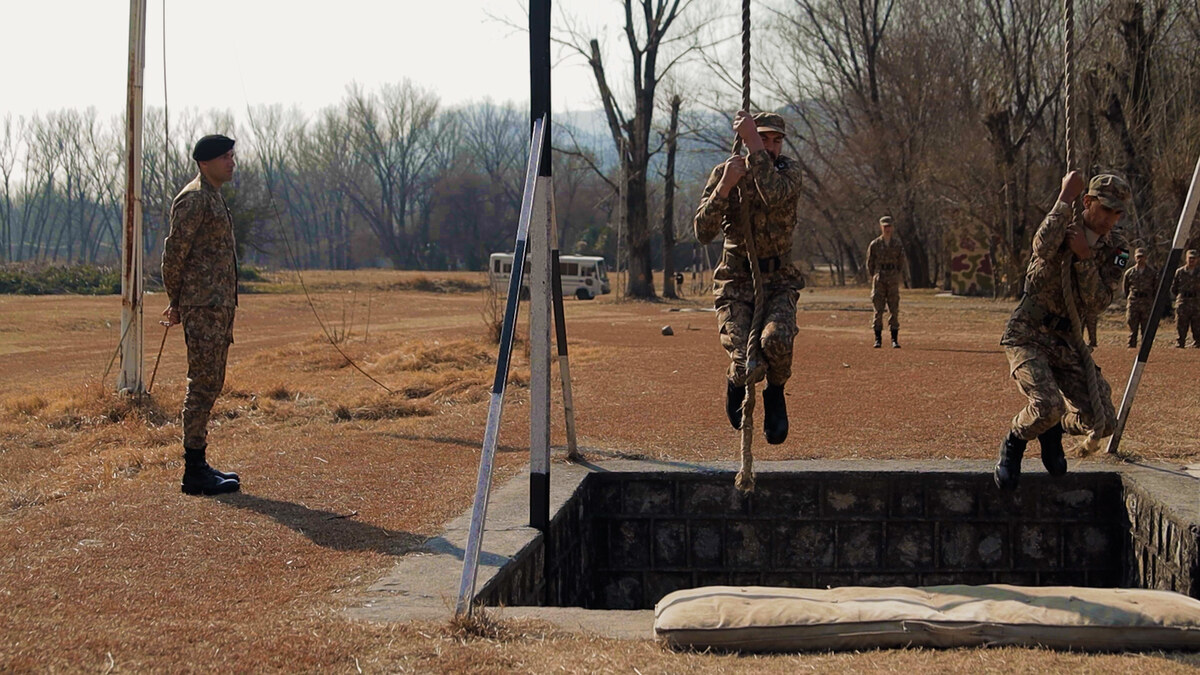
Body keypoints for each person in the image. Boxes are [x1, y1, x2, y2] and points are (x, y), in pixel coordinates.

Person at [995, 172, 1130, 490]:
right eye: (1106, 209)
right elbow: (1041, 248)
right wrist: (1064, 198)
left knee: (1104, 422)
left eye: (1117, 212)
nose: (1111, 219)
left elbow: (1098, 302)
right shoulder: (1063, 223)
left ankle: (1051, 428)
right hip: (1028, 332)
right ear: (1088, 202)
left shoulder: (1118, 249)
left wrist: (1084, 258)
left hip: (1067, 340)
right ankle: (1014, 443)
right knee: (1048, 405)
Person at [694, 110, 804, 445]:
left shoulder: (789, 172)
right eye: (763, 138)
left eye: (775, 140)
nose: (769, 146)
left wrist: (753, 142)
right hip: (736, 281)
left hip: (779, 280)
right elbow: (702, 232)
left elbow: (771, 193)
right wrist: (725, 186)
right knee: (746, 364)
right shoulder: (726, 172)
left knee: (776, 341)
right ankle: (736, 382)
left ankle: (776, 392)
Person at [161, 134, 242, 496]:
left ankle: (200, 464)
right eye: (225, 157)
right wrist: (177, 301)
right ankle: (193, 470)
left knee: (211, 381)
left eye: (232, 156)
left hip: (217, 305)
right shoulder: (194, 199)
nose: (232, 162)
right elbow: (174, 254)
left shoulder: (214, 197)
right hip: (202, 305)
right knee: (202, 384)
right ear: (205, 162)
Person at [865, 216, 905, 348]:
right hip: (880, 278)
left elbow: (901, 262)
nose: (887, 229)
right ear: (881, 227)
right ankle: (878, 339)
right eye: (885, 226)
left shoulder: (897, 244)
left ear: (892, 228)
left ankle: (894, 339)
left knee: (894, 309)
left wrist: (896, 275)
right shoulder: (875, 244)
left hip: (892, 278)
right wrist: (875, 276)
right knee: (878, 309)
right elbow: (870, 263)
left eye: (889, 226)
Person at [1122, 247, 1158, 348]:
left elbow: (1156, 288)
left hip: (1147, 303)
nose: (1140, 259)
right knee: (1132, 328)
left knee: (1146, 328)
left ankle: (1145, 349)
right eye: (1138, 257)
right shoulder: (1129, 273)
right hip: (1134, 302)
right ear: (1134, 257)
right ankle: (1131, 347)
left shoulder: (1152, 273)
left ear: (1146, 257)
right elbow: (1125, 288)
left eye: (1142, 256)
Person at [1171, 249, 1200, 348]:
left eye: (1194, 258)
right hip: (1183, 302)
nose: (1192, 260)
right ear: (1186, 259)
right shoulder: (1180, 272)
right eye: (1190, 258)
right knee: (1181, 324)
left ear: (1197, 260)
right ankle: (1180, 342)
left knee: (1197, 324)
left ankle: (1198, 343)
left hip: (1197, 302)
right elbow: (1174, 288)